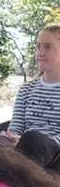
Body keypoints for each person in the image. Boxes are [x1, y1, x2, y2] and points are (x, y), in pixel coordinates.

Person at [6, 24, 60, 171]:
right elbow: (16, 127)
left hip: (54, 150)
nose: (40, 52)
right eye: (38, 47)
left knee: (33, 139)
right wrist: (12, 138)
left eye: (48, 47)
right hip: (27, 147)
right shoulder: (27, 89)